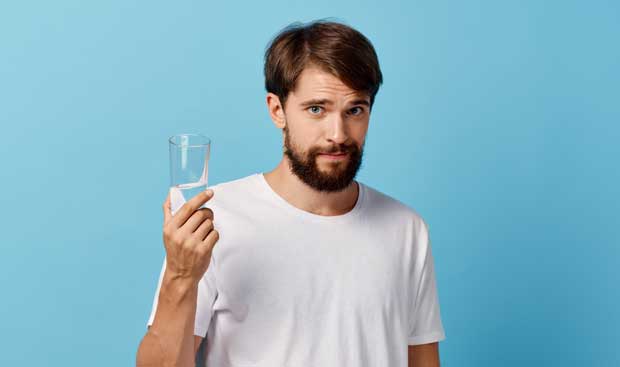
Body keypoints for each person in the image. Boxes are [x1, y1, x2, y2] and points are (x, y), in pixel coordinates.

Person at [136, 19, 446, 367]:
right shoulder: (213, 224)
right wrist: (181, 275)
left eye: (355, 110)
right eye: (317, 109)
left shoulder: (407, 230)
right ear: (277, 110)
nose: (338, 133)